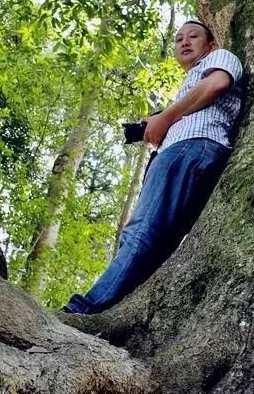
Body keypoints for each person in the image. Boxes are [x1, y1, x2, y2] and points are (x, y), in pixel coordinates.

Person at [64, 20, 243, 315]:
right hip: (191, 150)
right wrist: (156, 121)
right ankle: (117, 314)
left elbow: (217, 84)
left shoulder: (220, 58)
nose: (184, 42)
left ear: (211, 44)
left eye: (193, 36)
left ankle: (85, 309)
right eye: (178, 38)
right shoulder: (188, 87)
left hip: (189, 146)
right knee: (159, 243)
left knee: (140, 231)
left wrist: (165, 118)